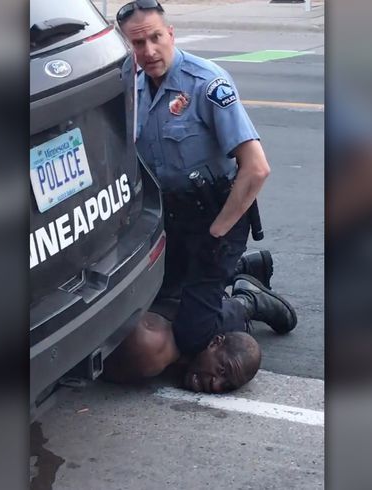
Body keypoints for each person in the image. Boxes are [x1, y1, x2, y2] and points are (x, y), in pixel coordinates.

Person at [116, 0, 296, 358]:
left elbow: (256, 168)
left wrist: (218, 232)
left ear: (171, 34)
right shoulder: (130, 84)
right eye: (137, 43)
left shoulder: (206, 83)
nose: (148, 51)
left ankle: (249, 299)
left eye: (155, 37)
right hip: (170, 220)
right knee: (153, 299)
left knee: (193, 335)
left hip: (217, 218)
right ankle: (242, 266)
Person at [104, 272, 285, 393]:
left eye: (226, 385)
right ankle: (249, 300)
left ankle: (240, 274)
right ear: (214, 343)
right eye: (222, 370)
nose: (216, 385)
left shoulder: (194, 353)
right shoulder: (152, 348)